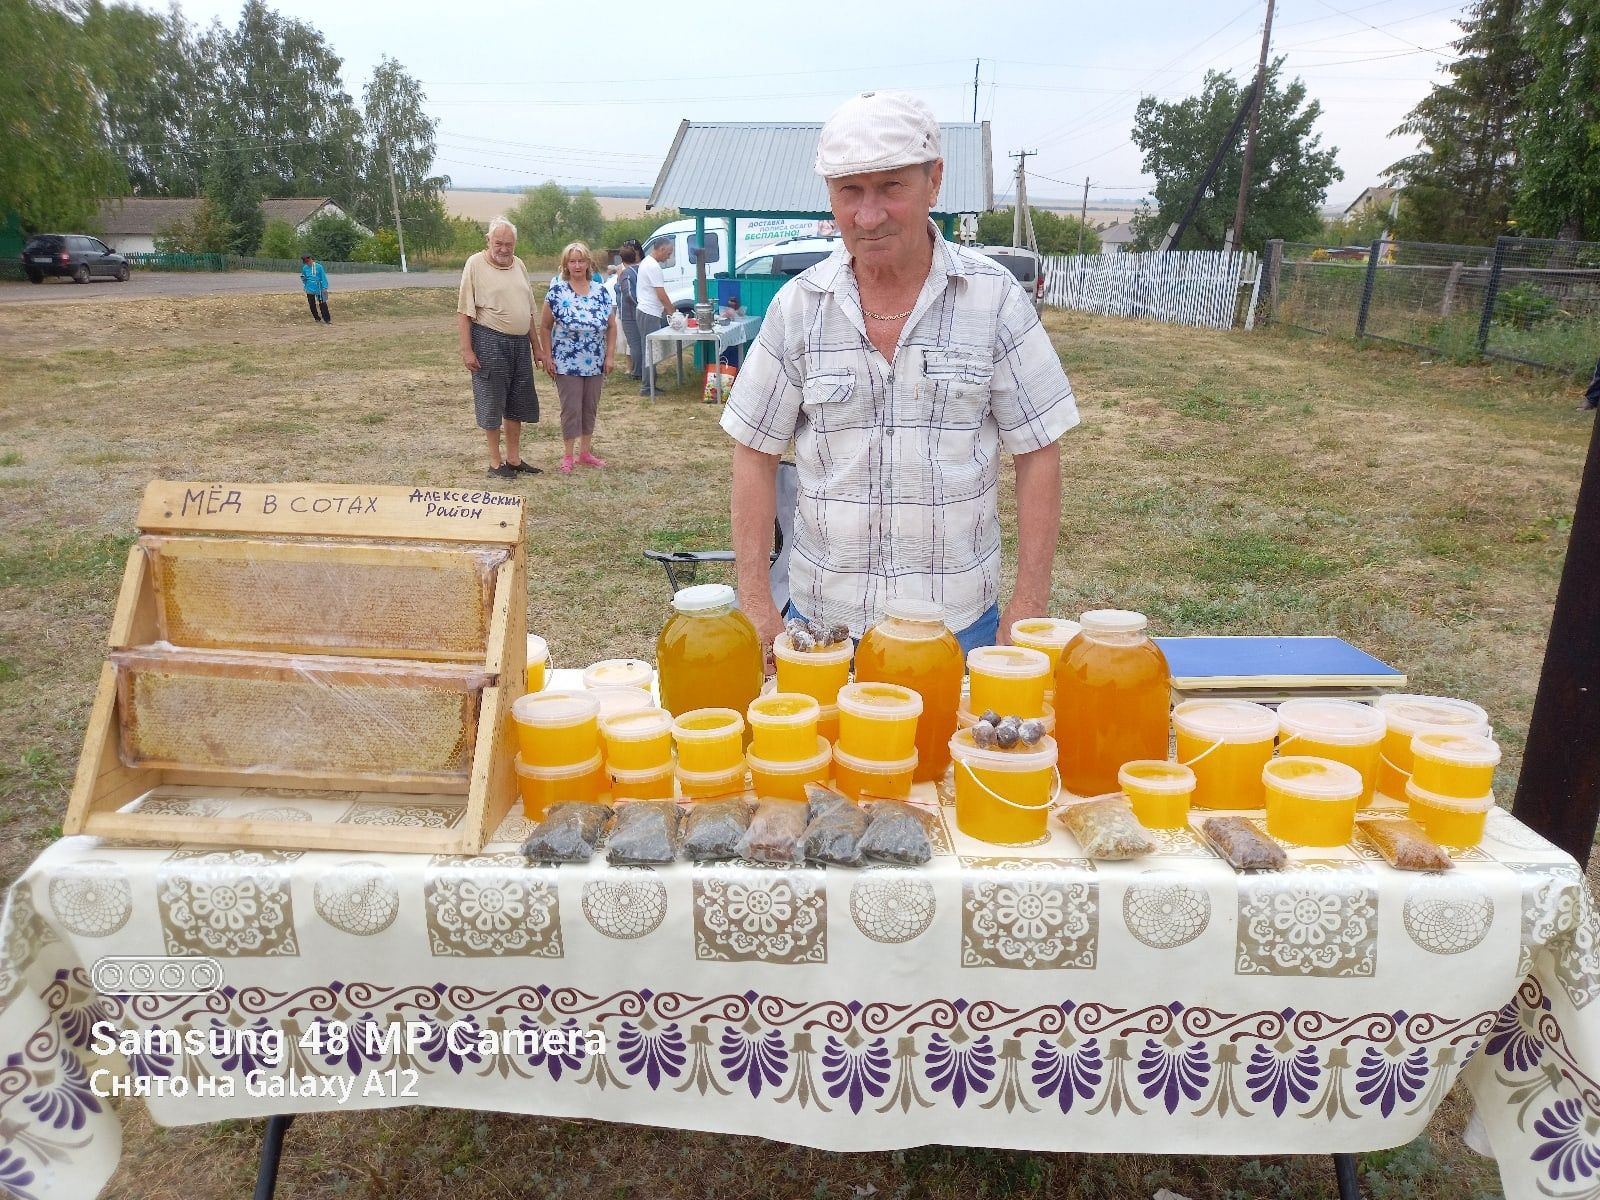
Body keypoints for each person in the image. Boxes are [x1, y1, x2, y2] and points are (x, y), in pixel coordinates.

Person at [720, 90, 1079, 655]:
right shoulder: (798, 307)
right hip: (821, 628)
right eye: (850, 192)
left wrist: (1028, 605)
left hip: (957, 627)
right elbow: (754, 453)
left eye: (891, 187)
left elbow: (1039, 452)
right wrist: (757, 603)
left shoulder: (995, 300)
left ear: (934, 180)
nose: (868, 215)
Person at [457, 216, 543, 479]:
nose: (504, 249)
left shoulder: (519, 265)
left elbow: (528, 311)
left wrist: (537, 348)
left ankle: (514, 459)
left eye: (509, 244)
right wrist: (467, 350)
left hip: (519, 345)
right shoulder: (475, 264)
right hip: (489, 341)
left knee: (517, 402)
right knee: (492, 401)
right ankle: (495, 463)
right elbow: (463, 312)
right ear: (488, 241)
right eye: (499, 243)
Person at [540, 240, 618, 474]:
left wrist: (610, 356)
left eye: (581, 260)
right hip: (566, 361)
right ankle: (567, 454)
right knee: (571, 407)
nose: (577, 265)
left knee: (589, 406)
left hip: (594, 360)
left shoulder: (601, 291)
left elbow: (611, 326)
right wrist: (547, 356)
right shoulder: (557, 291)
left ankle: (585, 452)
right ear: (566, 264)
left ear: (588, 263)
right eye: (572, 261)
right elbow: (545, 326)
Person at [634, 238, 674, 395]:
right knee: (650, 350)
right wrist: (672, 311)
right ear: (662, 249)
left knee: (650, 349)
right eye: (668, 253)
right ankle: (647, 387)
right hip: (648, 312)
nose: (669, 257)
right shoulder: (653, 266)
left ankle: (650, 385)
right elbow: (661, 294)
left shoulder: (647, 263)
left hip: (648, 311)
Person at [616, 242, 644, 382]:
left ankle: (637, 372)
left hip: (629, 313)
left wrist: (637, 305)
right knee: (639, 342)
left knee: (634, 344)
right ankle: (641, 369)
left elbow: (628, 294)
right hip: (637, 312)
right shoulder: (639, 270)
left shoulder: (626, 273)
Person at [300, 254, 330, 323]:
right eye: (306, 262)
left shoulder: (319, 267)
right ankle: (317, 318)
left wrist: (325, 287)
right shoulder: (305, 268)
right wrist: (305, 282)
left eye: (308, 261)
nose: (307, 263)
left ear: (311, 259)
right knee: (311, 304)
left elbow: (323, 277)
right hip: (309, 288)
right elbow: (304, 277)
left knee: (322, 303)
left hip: (319, 287)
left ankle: (327, 319)